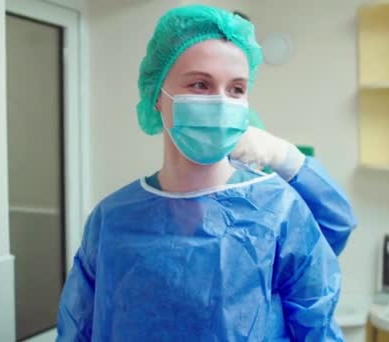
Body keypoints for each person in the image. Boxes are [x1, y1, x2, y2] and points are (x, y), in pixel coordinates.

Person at [57, 4, 357, 341]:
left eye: (236, 89)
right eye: (200, 84)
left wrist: (283, 156)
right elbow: (78, 328)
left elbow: (317, 324)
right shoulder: (112, 219)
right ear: (158, 95)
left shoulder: (278, 211)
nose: (220, 103)